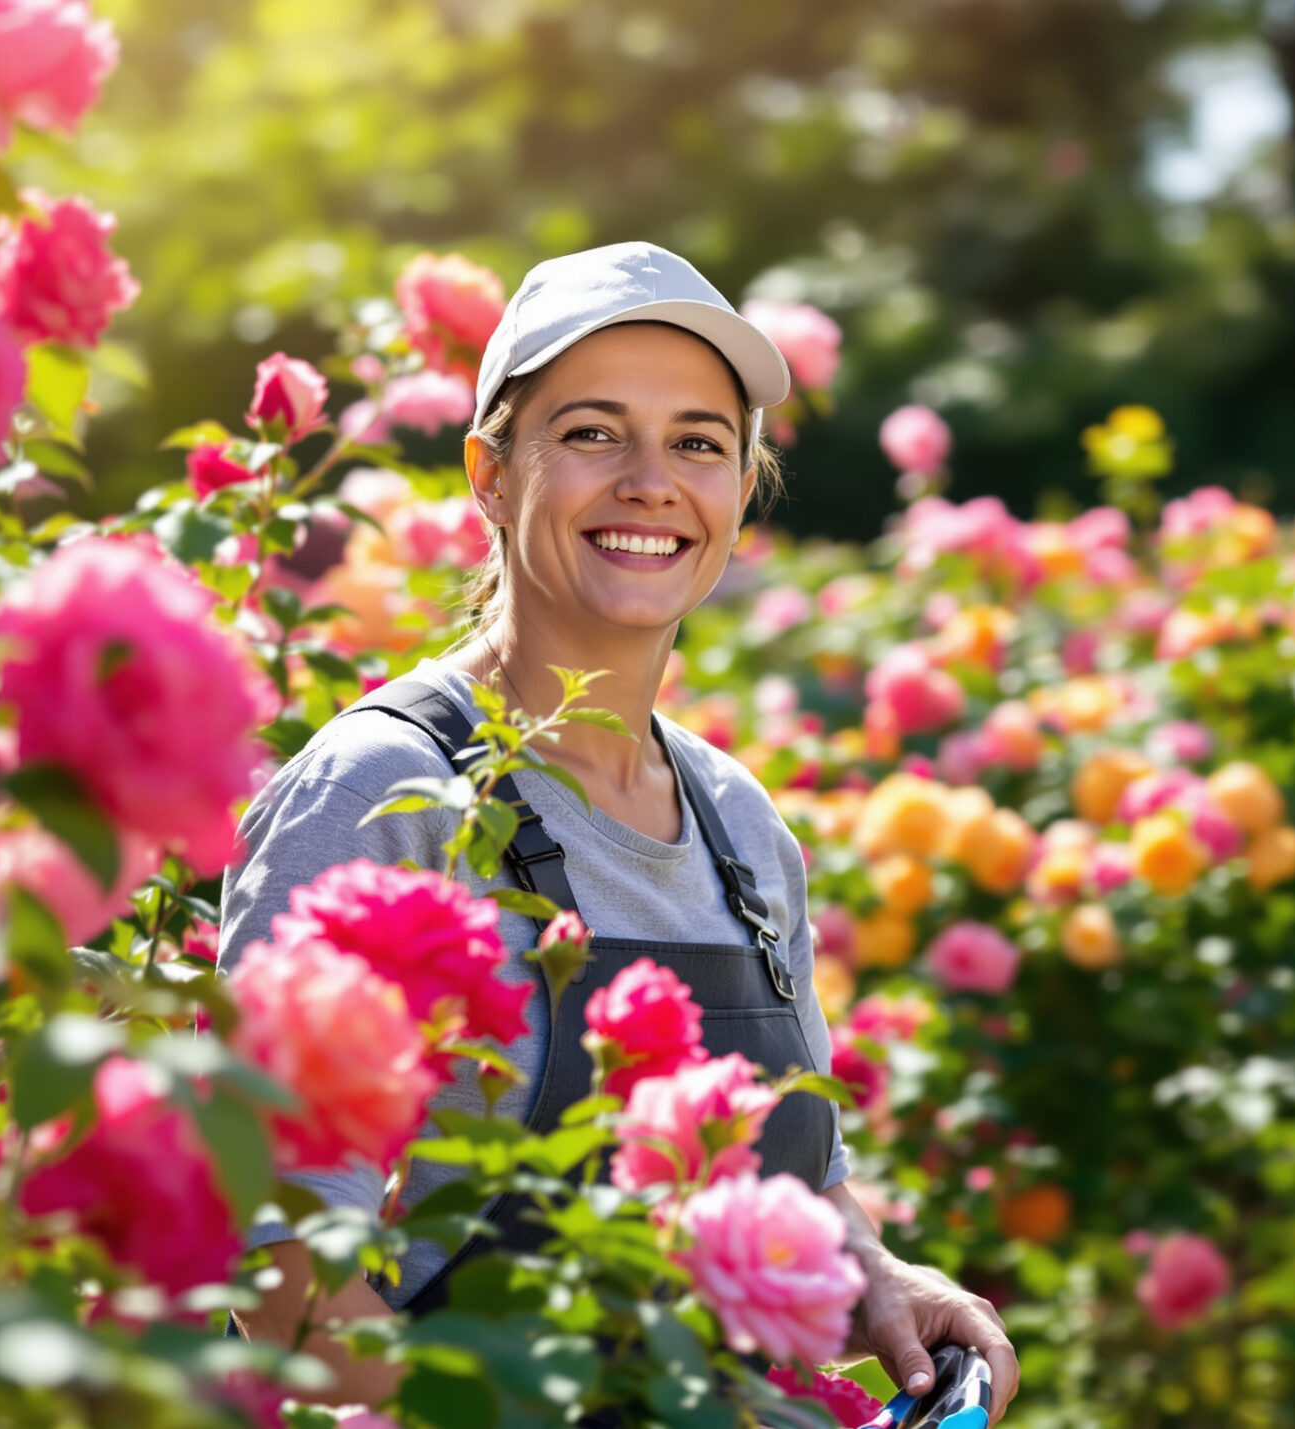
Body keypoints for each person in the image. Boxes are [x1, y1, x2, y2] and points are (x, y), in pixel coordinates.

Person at [219, 241, 1020, 1417]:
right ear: (489, 475)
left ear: (743, 490)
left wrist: (881, 1283)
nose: (652, 481)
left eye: (700, 443)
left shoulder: (741, 827)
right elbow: (281, 1267)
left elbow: (797, 1186)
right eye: (593, 432)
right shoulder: (385, 793)